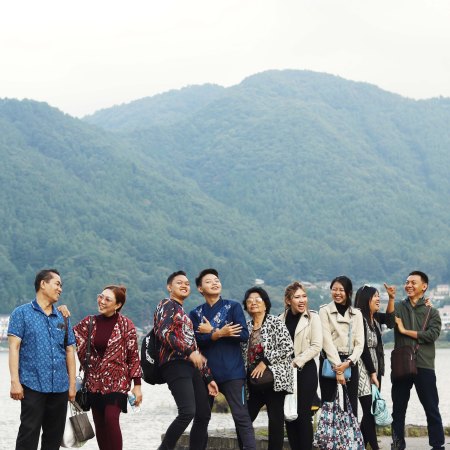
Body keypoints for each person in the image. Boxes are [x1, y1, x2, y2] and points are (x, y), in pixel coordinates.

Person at [7, 268, 76, 450]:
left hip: (60, 386)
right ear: (43, 284)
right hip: (32, 385)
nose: (60, 289)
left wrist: (72, 385)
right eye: (57, 284)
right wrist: (15, 382)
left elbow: (70, 350)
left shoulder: (63, 316)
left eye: (61, 285)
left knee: (54, 438)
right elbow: (14, 348)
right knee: (28, 434)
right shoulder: (21, 313)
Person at [190, 268, 256, 450]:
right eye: (209, 281)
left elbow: (243, 335)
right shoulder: (195, 314)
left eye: (216, 280)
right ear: (200, 289)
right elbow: (196, 342)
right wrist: (220, 333)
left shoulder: (233, 307)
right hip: (206, 375)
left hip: (232, 372)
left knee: (241, 416)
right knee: (201, 418)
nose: (214, 283)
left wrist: (212, 332)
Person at [155, 270, 219, 450]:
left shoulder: (184, 314)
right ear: (169, 287)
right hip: (174, 363)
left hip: (191, 367)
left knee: (203, 413)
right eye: (179, 283)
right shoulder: (166, 304)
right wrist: (188, 352)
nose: (184, 285)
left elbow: (194, 347)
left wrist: (208, 377)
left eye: (187, 283)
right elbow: (164, 333)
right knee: (187, 412)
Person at [73, 285, 142, 450]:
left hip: (117, 381)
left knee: (111, 419)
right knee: (100, 424)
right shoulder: (89, 322)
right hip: (94, 382)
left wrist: (137, 385)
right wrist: (63, 315)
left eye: (107, 299)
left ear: (117, 305)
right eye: (100, 296)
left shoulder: (126, 325)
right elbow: (68, 336)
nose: (102, 301)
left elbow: (133, 356)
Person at [387, 271, 445, 450]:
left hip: (424, 365)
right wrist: (391, 299)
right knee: (398, 409)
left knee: (431, 408)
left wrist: (405, 331)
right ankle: (398, 444)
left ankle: (437, 445)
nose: (409, 285)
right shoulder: (398, 306)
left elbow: (432, 335)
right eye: (407, 282)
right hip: (401, 364)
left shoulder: (432, 312)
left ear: (424, 286)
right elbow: (389, 321)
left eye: (413, 282)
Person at [241, 286, 294, 450]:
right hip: (253, 383)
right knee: (243, 420)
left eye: (257, 299)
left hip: (274, 380)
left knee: (276, 422)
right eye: (249, 301)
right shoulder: (246, 327)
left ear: (265, 304)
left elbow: (288, 347)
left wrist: (265, 362)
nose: (253, 303)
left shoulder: (275, 322)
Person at [280, 281, 322, 450]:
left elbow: (316, 346)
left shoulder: (313, 318)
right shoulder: (280, 319)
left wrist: (297, 361)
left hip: (306, 370)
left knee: (304, 415)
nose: (302, 300)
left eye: (304, 296)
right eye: (297, 297)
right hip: (286, 373)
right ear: (288, 300)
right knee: (289, 415)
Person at [354, 283, 395, 450]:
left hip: (376, 370)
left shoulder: (375, 317)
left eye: (379, 295)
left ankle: (360, 446)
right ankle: (375, 447)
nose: (378, 299)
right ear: (366, 299)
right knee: (369, 411)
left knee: (370, 411)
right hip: (362, 369)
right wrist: (371, 373)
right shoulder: (358, 318)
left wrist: (391, 298)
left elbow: (391, 322)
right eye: (375, 296)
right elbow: (363, 348)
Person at [319, 275, 364, 416]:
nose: (337, 293)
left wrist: (349, 362)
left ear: (349, 292)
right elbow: (326, 341)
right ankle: (329, 431)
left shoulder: (356, 314)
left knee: (351, 406)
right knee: (329, 405)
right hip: (330, 361)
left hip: (350, 362)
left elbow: (360, 344)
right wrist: (339, 369)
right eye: (334, 289)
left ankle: (351, 431)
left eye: (341, 290)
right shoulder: (324, 311)